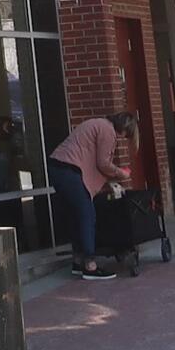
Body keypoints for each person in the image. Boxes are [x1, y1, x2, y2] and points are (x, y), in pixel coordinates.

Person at [49, 112, 134, 279]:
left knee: (75, 215)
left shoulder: (97, 123)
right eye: (127, 134)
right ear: (125, 128)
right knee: (87, 214)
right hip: (69, 170)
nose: (124, 138)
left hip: (57, 167)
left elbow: (90, 160)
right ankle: (90, 265)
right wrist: (121, 174)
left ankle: (78, 261)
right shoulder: (108, 131)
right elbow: (102, 163)